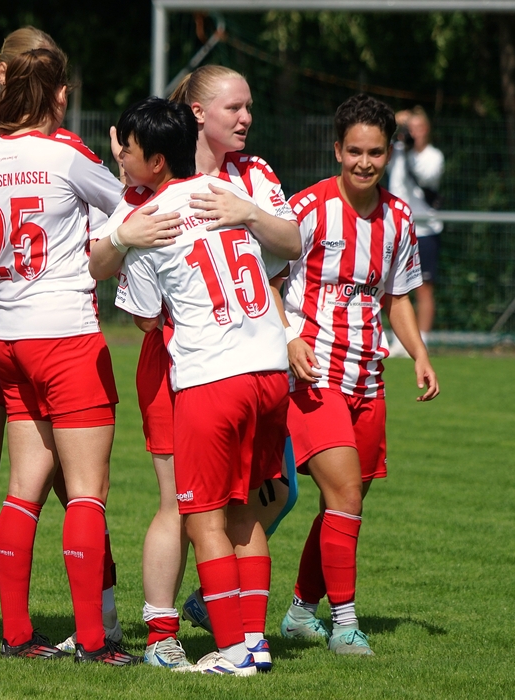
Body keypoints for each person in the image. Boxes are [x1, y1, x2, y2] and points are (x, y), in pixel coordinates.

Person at [91, 65, 301, 669]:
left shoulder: (166, 208)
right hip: (262, 363)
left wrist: (131, 240)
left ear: (154, 157)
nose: (246, 118)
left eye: (129, 150)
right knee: (226, 509)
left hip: (209, 370)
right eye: (235, 107)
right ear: (198, 117)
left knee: (205, 511)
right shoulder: (197, 192)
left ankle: (230, 647)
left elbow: (141, 315)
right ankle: (235, 641)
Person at [0, 25, 121, 658]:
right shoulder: (64, 152)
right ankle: (95, 636)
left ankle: (23, 630)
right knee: (77, 489)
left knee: (24, 485)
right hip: (52, 331)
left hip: (4, 332)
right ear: (56, 91)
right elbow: (127, 217)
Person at [278, 93, 439, 656]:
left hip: (369, 378)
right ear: (337, 150)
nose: (364, 163)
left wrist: (419, 353)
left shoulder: (398, 217)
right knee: (345, 493)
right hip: (314, 377)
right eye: (354, 152)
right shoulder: (306, 209)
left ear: (388, 152)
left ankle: (301, 612)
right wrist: (289, 337)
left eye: (375, 152)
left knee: (342, 504)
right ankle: (345, 624)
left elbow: (398, 297)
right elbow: (266, 280)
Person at [387, 105, 444, 348]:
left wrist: (410, 151)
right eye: (411, 128)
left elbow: (425, 177)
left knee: (423, 288)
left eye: (419, 127)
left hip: (424, 230)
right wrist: (392, 122)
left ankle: (423, 340)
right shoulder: (396, 152)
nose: (414, 132)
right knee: (394, 287)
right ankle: (398, 340)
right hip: (396, 228)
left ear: (427, 129)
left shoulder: (433, 156)